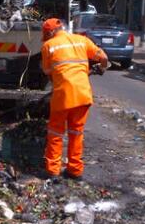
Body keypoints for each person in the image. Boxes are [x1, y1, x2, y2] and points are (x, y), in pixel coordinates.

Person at [40, 18, 108, 180]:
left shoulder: (48, 46)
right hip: (83, 95)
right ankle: (75, 170)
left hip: (63, 96)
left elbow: (47, 71)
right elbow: (103, 57)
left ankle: (53, 171)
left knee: (56, 133)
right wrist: (102, 67)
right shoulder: (82, 40)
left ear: (49, 32)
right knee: (76, 133)